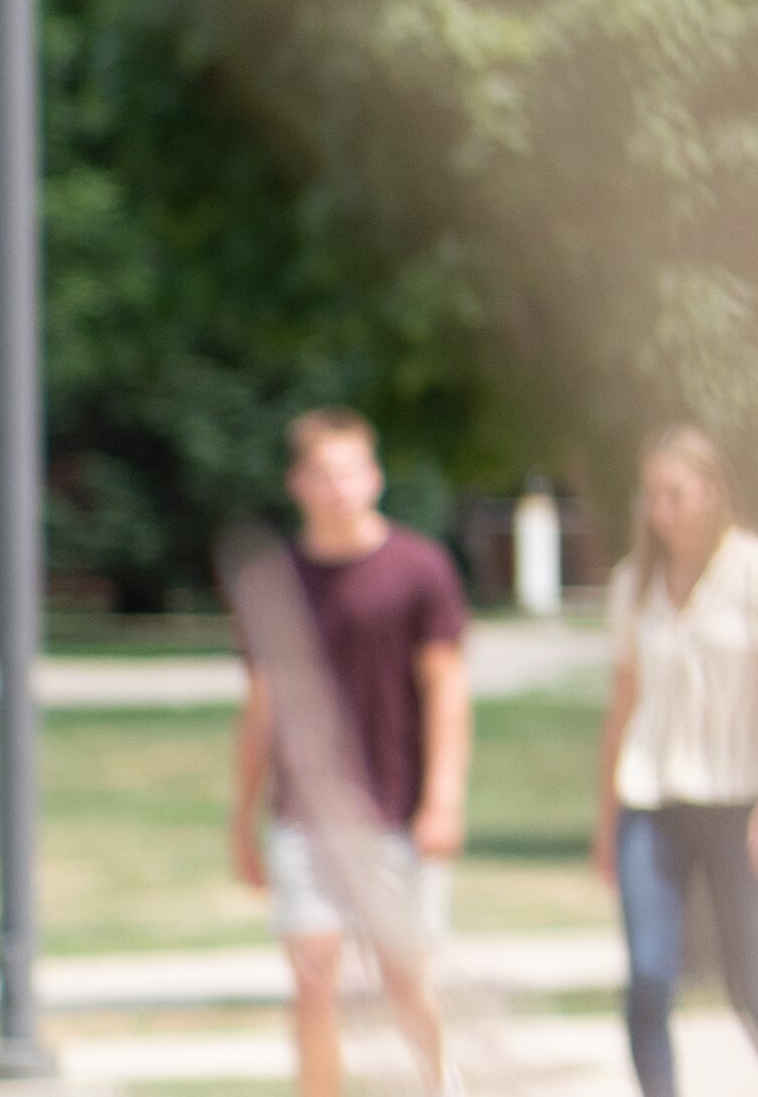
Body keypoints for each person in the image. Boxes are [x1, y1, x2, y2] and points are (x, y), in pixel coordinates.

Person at [230, 411, 470, 1097]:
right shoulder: (273, 582)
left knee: (404, 982)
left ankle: (439, 1084)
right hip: (304, 815)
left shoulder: (419, 569)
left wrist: (444, 800)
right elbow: (261, 708)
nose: (339, 488)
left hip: (395, 808)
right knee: (313, 979)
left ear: (375, 478)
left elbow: (448, 691)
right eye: (324, 474)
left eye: (352, 472)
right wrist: (243, 816)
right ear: (297, 483)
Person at [593, 426, 758, 1097]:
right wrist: (605, 822)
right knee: (649, 981)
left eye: (676, 494)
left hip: (744, 802)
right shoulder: (633, 585)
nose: (661, 510)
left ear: (715, 491)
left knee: (754, 985)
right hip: (652, 805)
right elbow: (623, 706)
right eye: (651, 496)